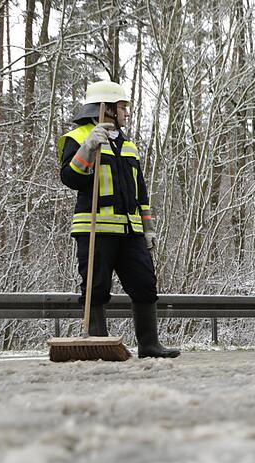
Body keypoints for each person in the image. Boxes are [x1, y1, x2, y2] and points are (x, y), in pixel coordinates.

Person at [57, 80, 179, 358]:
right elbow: (71, 178)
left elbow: (141, 191)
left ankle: (149, 345)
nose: (127, 113)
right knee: (96, 287)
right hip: (94, 227)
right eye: (123, 107)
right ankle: (98, 344)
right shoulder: (78, 138)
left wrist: (148, 228)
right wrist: (88, 148)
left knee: (145, 284)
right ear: (107, 109)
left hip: (131, 230)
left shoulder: (129, 146)